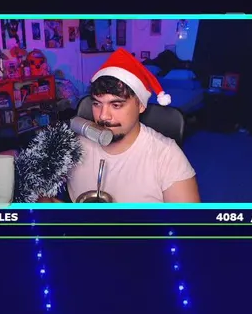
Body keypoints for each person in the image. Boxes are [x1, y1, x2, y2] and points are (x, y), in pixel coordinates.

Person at [41, 49, 199, 204]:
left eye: (116, 105)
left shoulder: (167, 156)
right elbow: (43, 196)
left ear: (140, 105)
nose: (103, 116)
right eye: (97, 104)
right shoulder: (76, 145)